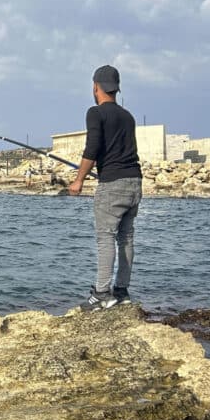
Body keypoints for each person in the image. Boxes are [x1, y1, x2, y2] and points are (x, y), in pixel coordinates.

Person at [68, 66, 142, 311]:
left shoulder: (95, 113)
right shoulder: (128, 116)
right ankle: (122, 291)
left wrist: (79, 180)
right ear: (116, 88)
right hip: (135, 182)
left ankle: (101, 294)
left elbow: (93, 148)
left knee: (105, 238)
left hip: (112, 186)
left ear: (96, 87)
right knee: (126, 238)